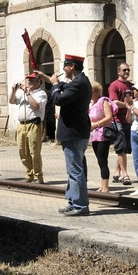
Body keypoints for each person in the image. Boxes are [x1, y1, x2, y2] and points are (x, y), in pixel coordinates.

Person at [41, 54, 92, 216]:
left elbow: (59, 100)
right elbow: (66, 87)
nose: (63, 69)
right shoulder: (81, 81)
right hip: (76, 133)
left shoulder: (78, 83)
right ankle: (73, 201)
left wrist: (54, 85)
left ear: (72, 67)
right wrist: (50, 80)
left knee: (75, 170)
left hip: (73, 133)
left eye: (65, 66)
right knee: (74, 170)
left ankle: (80, 206)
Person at [9, 72, 48, 184]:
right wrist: (14, 90)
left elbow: (35, 106)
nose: (29, 82)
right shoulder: (22, 93)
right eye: (28, 80)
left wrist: (28, 94)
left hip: (34, 124)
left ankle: (38, 177)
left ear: (38, 82)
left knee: (34, 151)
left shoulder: (41, 94)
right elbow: (11, 101)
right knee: (23, 151)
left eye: (32, 80)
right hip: (22, 125)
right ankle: (29, 174)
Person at [108, 62, 133, 185]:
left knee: (123, 148)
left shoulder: (131, 85)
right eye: (124, 70)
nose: (126, 72)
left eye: (128, 70)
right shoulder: (114, 85)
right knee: (121, 148)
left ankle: (116, 172)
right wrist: (127, 105)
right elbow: (114, 102)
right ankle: (125, 174)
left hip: (128, 119)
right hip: (118, 120)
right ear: (118, 72)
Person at [88, 81, 116, 193]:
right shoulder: (92, 104)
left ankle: (106, 187)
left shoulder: (103, 101)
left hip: (102, 135)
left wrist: (96, 124)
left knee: (103, 160)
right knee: (100, 161)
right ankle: (102, 185)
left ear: (95, 92)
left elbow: (109, 117)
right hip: (94, 136)